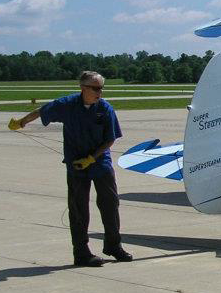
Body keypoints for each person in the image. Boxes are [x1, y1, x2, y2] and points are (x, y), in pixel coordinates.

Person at [8, 71, 132, 267]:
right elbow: (43, 111)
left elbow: (110, 139)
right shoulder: (67, 105)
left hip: (100, 163)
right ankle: (81, 253)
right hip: (76, 165)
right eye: (96, 88)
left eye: (102, 88)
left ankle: (113, 246)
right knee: (78, 209)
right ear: (83, 88)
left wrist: (92, 158)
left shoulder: (105, 109)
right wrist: (22, 122)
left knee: (110, 204)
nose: (100, 92)